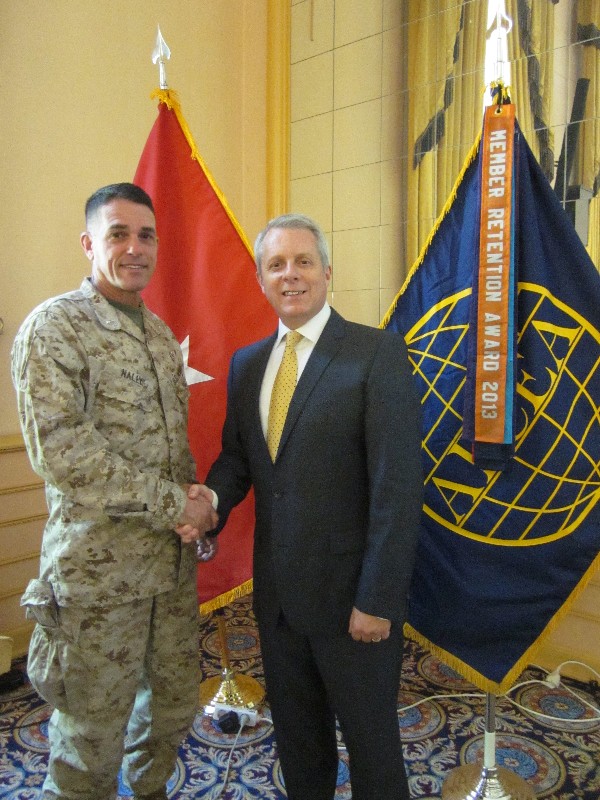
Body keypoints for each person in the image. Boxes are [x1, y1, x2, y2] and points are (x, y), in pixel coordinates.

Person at [199, 213, 423, 800]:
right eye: (276, 265)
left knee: (374, 755)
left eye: (303, 262)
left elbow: (397, 492)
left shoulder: (375, 353)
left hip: (355, 607)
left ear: (327, 271)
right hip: (277, 605)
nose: (290, 275)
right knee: (300, 750)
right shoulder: (247, 366)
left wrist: (376, 600)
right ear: (261, 279)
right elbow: (238, 463)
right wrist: (209, 503)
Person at [11, 183, 218, 800]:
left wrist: (196, 503)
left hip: (168, 575)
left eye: (146, 235)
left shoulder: (157, 335)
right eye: (118, 234)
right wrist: (171, 502)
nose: (135, 248)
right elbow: (64, 456)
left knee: (168, 719)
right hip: (98, 584)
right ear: (88, 244)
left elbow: (169, 449)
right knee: (89, 746)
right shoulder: (55, 328)